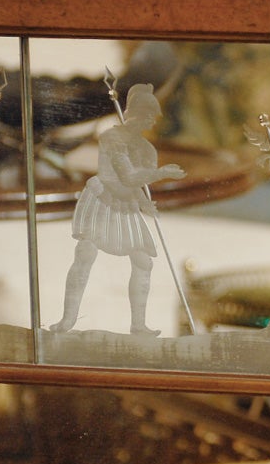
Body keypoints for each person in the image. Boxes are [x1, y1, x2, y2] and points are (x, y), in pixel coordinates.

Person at [50, 84, 184, 335]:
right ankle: (67, 320)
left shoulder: (146, 149)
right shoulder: (111, 138)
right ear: (134, 112)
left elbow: (138, 186)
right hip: (103, 198)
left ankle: (138, 325)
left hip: (126, 203)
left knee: (143, 262)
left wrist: (146, 204)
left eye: (153, 117)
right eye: (147, 115)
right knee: (85, 255)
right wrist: (162, 173)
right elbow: (127, 176)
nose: (151, 121)